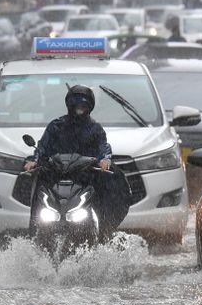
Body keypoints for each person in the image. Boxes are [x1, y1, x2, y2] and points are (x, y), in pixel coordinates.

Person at [23, 84, 130, 237]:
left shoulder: (95, 129)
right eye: (76, 105)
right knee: (38, 183)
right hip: (56, 176)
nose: (79, 109)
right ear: (69, 105)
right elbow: (42, 147)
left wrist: (104, 160)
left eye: (83, 106)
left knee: (111, 184)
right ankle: (34, 231)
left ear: (90, 107)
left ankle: (104, 229)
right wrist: (35, 160)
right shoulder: (56, 126)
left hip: (85, 177)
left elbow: (103, 147)